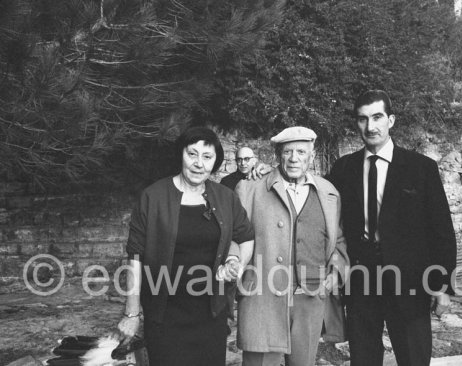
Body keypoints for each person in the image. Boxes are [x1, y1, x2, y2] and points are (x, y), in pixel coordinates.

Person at [326, 90, 457, 366]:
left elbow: (441, 230)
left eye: (377, 117)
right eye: (362, 119)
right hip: (361, 279)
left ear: (391, 120)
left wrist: (442, 285)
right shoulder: (344, 168)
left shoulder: (421, 168)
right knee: (363, 358)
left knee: (413, 357)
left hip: (408, 280)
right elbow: (312, 192)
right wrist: (258, 173)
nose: (370, 126)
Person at [117, 127, 255, 366]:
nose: (198, 163)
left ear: (215, 162)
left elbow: (246, 236)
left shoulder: (225, 197)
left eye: (207, 157)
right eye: (192, 154)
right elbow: (135, 257)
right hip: (164, 313)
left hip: (211, 313)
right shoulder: (152, 197)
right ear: (181, 154)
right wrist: (131, 312)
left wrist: (237, 264)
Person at [235, 126, 349, 366]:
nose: (294, 158)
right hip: (262, 299)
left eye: (301, 151)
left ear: (312, 154)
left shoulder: (329, 192)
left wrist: (335, 273)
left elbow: (338, 240)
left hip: (310, 297)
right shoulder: (251, 188)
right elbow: (235, 239)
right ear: (278, 155)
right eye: (288, 152)